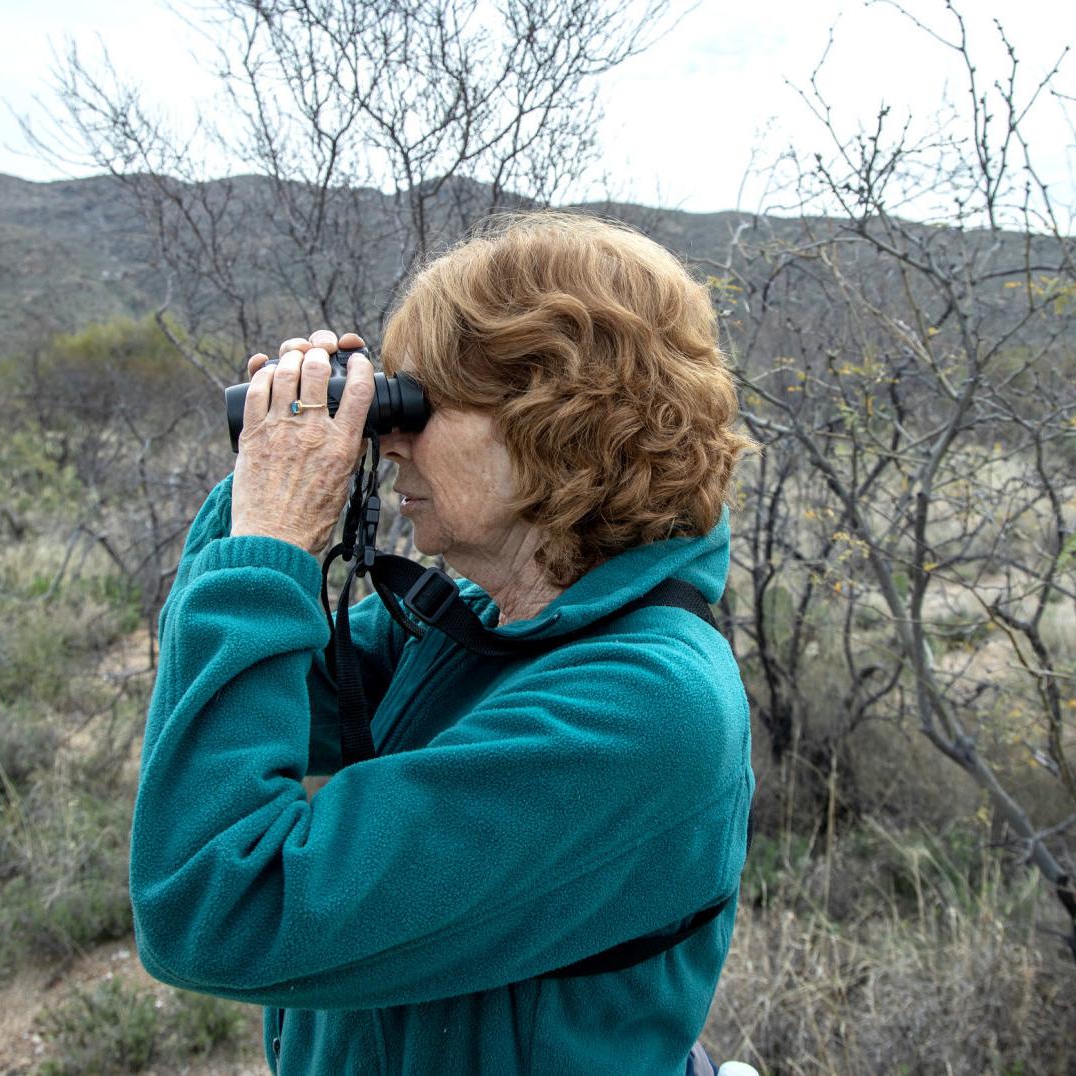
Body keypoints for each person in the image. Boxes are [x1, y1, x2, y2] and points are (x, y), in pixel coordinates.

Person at [130, 212, 755, 1074]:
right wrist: (265, 488)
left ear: (552, 425)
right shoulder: (483, 617)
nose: (387, 437)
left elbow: (214, 906)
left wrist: (267, 545)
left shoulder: (643, 705)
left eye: (416, 406)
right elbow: (230, 723)